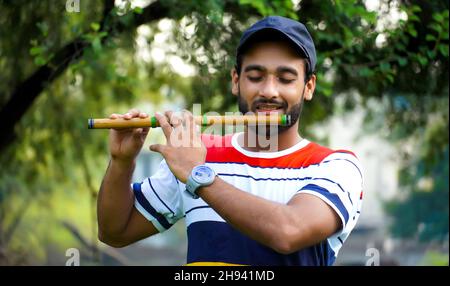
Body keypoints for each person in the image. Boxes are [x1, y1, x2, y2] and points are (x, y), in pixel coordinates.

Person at [97, 16, 364, 266]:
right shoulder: (197, 153)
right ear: (236, 81)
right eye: (255, 77)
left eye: (285, 79)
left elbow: (288, 231)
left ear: (308, 87)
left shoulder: (336, 167)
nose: (269, 91)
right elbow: (115, 232)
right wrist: (122, 163)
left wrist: (196, 175)